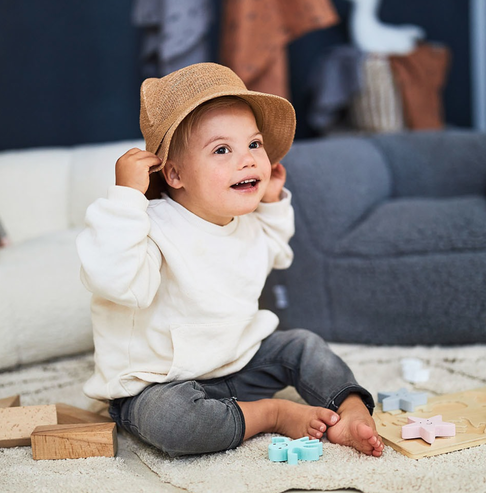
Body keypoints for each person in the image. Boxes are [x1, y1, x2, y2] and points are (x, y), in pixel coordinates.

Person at [76, 62, 384, 458]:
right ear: (174, 174)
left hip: (239, 363)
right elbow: (117, 281)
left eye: (254, 144)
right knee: (175, 423)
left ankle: (351, 408)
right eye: (222, 149)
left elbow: (274, 247)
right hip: (161, 383)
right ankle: (271, 414)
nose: (248, 160)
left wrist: (271, 203)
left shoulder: (245, 220)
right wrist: (125, 200)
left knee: (303, 346)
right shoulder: (147, 225)